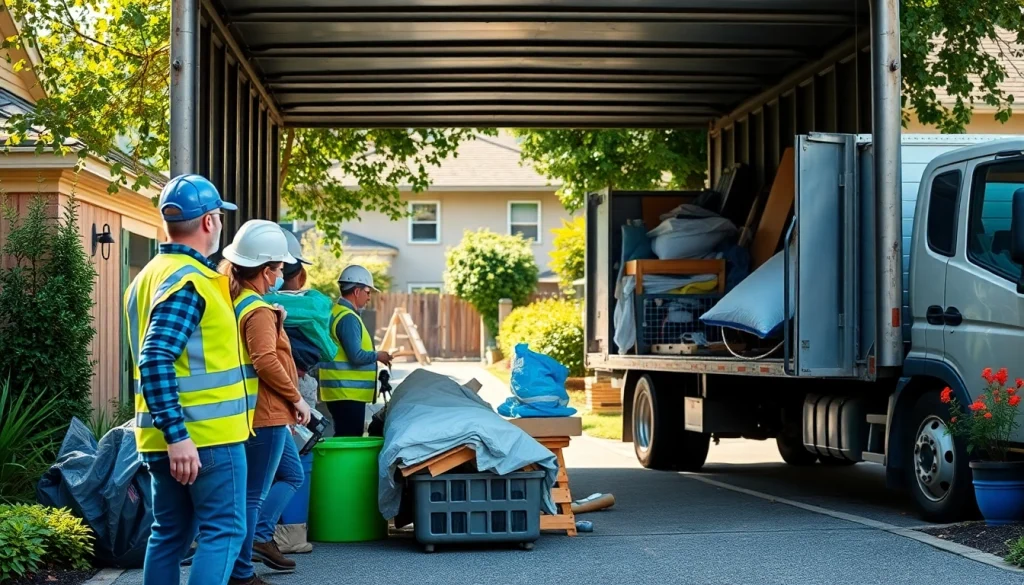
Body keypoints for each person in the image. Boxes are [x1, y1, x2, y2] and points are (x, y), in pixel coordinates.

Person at [124, 174, 250, 585]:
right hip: (204, 438)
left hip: (164, 438)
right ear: (210, 222)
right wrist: (179, 435)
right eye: (219, 217)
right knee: (224, 531)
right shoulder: (190, 281)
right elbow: (156, 358)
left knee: (170, 533)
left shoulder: (147, 277)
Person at [219, 221, 312, 585]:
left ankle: (255, 546)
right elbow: (265, 360)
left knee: (288, 474)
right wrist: (296, 398)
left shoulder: (242, 301)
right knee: (252, 495)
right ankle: (243, 570)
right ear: (266, 269)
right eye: (277, 269)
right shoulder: (257, 309)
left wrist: (278, 319)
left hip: (259, 411)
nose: (280, 276)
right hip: (267, 412)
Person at [320, 265, 392, 437]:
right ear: (357, 291)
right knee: (349, 440)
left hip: (340, 392)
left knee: (344, 438)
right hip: (347, 394)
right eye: (368, 292)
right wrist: (378, 356)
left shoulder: (336, 312)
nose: (369, 297)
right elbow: (356, 356)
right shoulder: (348, 318)